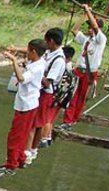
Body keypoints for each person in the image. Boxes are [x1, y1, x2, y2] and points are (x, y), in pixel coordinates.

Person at [0, 39, 47, 175]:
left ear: (34, 52)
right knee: (22, 135)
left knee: (15, 136)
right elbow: (30, 53)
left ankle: (10, 165)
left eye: (28, 51)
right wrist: (15, 49)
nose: (27, 53)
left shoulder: (36, 67)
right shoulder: (39, 60)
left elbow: (21, 78)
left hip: (26, 106)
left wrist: (14, 61)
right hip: (30, 104)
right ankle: (21, 159)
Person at [60, 4, 107, 129]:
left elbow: (96, 28)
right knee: (72, 94)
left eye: (91, 27)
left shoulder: (101, 40)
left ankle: (72, 119)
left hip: (89, 73)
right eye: (89, 27)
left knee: (81, 97)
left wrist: (88, 11)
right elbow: (74, 30)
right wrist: (84, 15)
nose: (90, 29)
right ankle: (68, 120)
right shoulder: (87, 40)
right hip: (78, 71)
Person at [25, 28, 66, 163]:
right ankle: (30, 150)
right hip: (41, 93)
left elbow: (48, 83)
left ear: (52, 41)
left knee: (36, 124)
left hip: (46, 94)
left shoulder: (59, 60)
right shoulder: (50, 52)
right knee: (36, 123)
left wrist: (35, 72)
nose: (45, 44)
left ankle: (30, 152)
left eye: (46, 41)